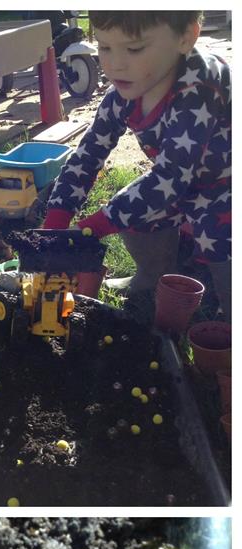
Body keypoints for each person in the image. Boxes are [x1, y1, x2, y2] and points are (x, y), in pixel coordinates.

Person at [43, 11, 230, 319]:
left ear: (186, 37)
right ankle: (153, 274)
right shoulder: (121, 95)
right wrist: (55, 223)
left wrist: (92, 227)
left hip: (227, 184)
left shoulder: (201, 85)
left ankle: (228, 305)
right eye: (104, 47)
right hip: (184, 181)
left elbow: (170, 178)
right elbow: (88, 154)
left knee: (218, 230)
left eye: (134, 49)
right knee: (137, 210)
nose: (115, 64)